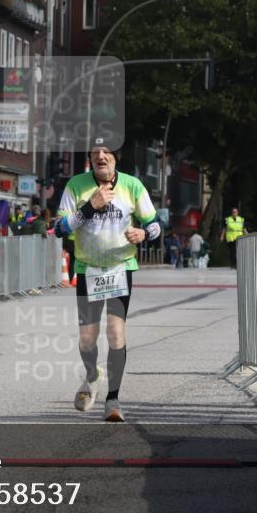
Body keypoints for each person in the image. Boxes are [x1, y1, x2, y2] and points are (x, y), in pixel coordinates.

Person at [54, 143, 162, 423]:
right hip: (88, 268)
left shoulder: (132, 185)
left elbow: (155, 224)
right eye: (94, 152)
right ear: (90, 158)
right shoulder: (76, 185)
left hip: (120, 267)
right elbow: (59, 228)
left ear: (116, 156)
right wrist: (90, 207)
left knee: (116, 333)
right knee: (87, 339)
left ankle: (113, 399)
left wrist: (143, 233)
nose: (100, 157)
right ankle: (93, 375)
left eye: (106, 152)